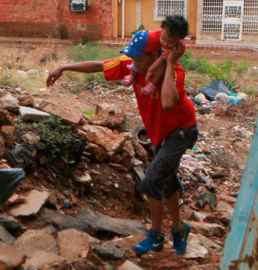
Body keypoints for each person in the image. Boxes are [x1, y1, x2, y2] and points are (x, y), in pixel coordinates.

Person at [45, 27, 197, 256]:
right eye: (131, 56)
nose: (132, 61)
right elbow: (99, 65)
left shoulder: (173, 71)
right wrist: (64, 67)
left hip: (181, 131)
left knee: (152, 181)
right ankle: (179, 229)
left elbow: (167, 103)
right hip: (160, 132)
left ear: (155, 56)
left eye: (138, 57)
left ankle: (156, 236)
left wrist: (166, 68)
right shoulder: (133, 65)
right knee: (166, 181)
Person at [122, 15, 189, 97]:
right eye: (163, 39)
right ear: (162, 29)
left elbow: (164, 59)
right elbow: (146, 40)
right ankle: (131, 75)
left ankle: (152, 85)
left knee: (163, 67)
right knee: (138, 56)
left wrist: (151, 69)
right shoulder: (156, 33)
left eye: (170, 42)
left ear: (179, 39)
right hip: (153, 55)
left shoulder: (178, 49)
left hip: (162, 61)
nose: (165, 43)